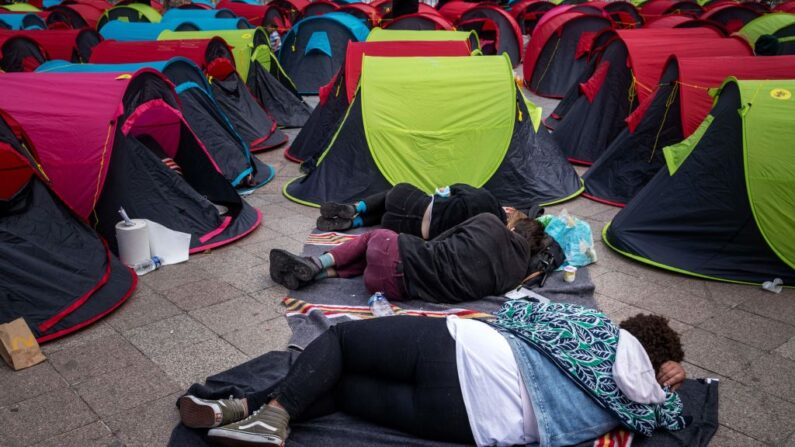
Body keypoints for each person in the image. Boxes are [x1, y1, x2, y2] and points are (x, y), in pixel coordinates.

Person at [177, 302, 688, 447]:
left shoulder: (597, 329)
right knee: (349, 393)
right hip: (473, 426)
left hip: (465, 355)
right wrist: (672, 381)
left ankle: (269, 413)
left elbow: (515, 315)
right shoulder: (645, 404)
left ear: (630, 331)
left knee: (341, 340)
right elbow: (675, 413)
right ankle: (243, 413)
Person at [270, 212, 547, 303]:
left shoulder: (489, 221)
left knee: (376, 238)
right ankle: (317, 276)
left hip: (391, 259)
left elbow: (439, 240)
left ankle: (316, 263)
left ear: (512, 226)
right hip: (392, 290)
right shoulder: (515, 277)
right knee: (382, 257)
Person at [316, 183, 527, 240]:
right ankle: (355, 223)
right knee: (386, 216)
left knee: (395, 192)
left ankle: (355, 208)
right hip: (409, 229)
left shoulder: (487, 198)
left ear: (509, 212)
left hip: (415, 204)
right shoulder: (490, 234)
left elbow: (454, 187)